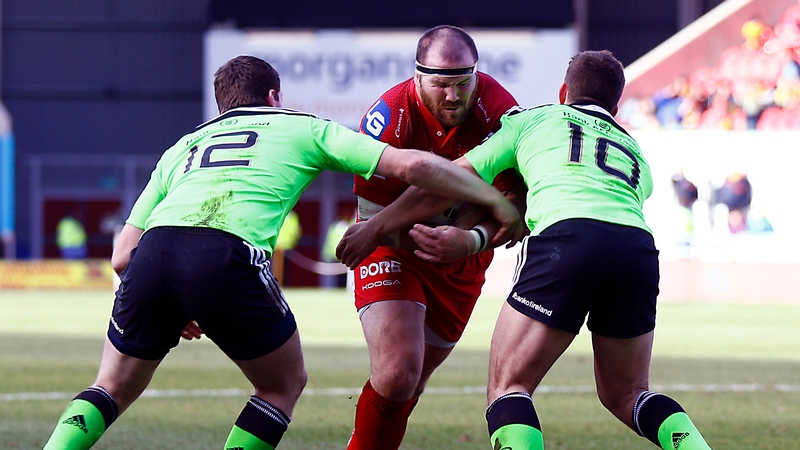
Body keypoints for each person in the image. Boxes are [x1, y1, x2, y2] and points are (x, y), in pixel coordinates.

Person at [41, 55, 523, 450]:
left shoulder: (183, 146)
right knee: (281, 385)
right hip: (227, 254)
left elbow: (122, 255)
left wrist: (175, 303)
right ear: (274, 98)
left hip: (154, 257)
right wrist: (499, 204)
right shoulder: (300, 126)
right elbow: (414, 165)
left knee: (109, 387)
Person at [337, 50, 713, 450]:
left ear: (563, 91)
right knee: (629, 395)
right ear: (616, 107)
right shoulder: (635, 152)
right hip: (637, 251)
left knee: (509, 388)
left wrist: (377, 226)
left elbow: (450, 178)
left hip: (567, 241)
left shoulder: (533, 119)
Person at [345, 25, 522, 450]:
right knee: (397, 371)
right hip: (392, 247)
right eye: (441, 85)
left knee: (412, 384)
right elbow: (373, 219)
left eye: (463, 83)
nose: (453, 96)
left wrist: (470, 240)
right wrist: (424, 237)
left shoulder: (500, 110)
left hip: (462, 263)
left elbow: (516, 210)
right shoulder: (388, 116)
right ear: (418, 78)